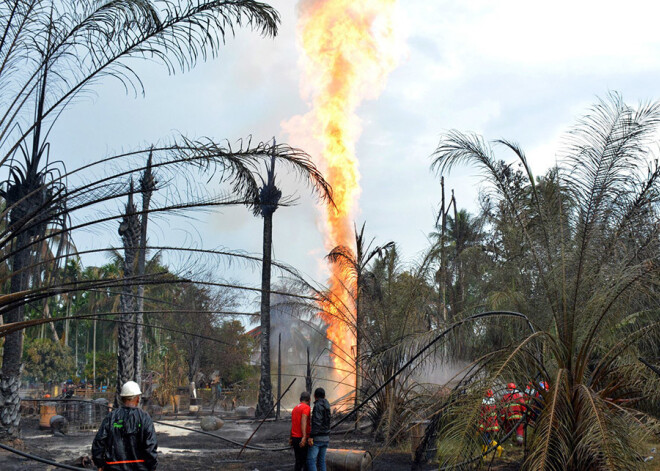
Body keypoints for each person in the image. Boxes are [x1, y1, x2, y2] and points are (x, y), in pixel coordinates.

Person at [92, 381, 158, 470]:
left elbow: (99, 442)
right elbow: (150, 446)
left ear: (122, 398)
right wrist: (152, 466)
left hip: (113, 468)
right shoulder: (145, 418)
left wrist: (100, 464)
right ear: (138, 399)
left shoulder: (111, 417)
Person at [307, 387, 331, 471]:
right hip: (326, 437)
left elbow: (317, 422)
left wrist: (311, 436)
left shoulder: (317, 406)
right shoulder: (327, 405)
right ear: (324, 396)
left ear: (314, 396)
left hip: (318, 438)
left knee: (310, 461)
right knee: (321, 461)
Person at [290, 391, 311, 471]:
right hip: (301, 438)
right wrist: (304, 437)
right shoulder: (306, 408)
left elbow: (293, 424)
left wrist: (290, 437)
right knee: (305, 461)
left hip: (294, 438)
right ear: (309, 400)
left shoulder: (295, 408)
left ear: (300, 399)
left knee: (298, 461)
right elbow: (304, 420)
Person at [478, 389, 503, 457]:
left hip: (487, 425)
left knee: (485, 440)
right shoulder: (493, 404)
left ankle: (498, 448)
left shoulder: (484, 405)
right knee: (486, 440)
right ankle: (497, 449)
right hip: (493, 424)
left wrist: (480, 427)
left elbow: (482, 417)